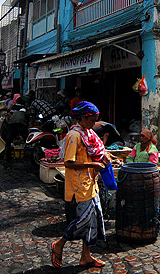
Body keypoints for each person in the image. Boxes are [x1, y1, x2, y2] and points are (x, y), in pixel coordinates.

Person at [49, 101, 108, 269]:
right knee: (82, 221)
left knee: (93, 221)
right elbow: (68, 162)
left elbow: (97, 151)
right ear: (83, 117)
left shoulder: (89, 133)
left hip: (91, 184)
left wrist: (106, 157)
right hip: (78, 187)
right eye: (92, 120)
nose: (94, 123)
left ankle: (86, 256)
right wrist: (92, 166)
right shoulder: (75, 136)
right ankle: (59, 244)